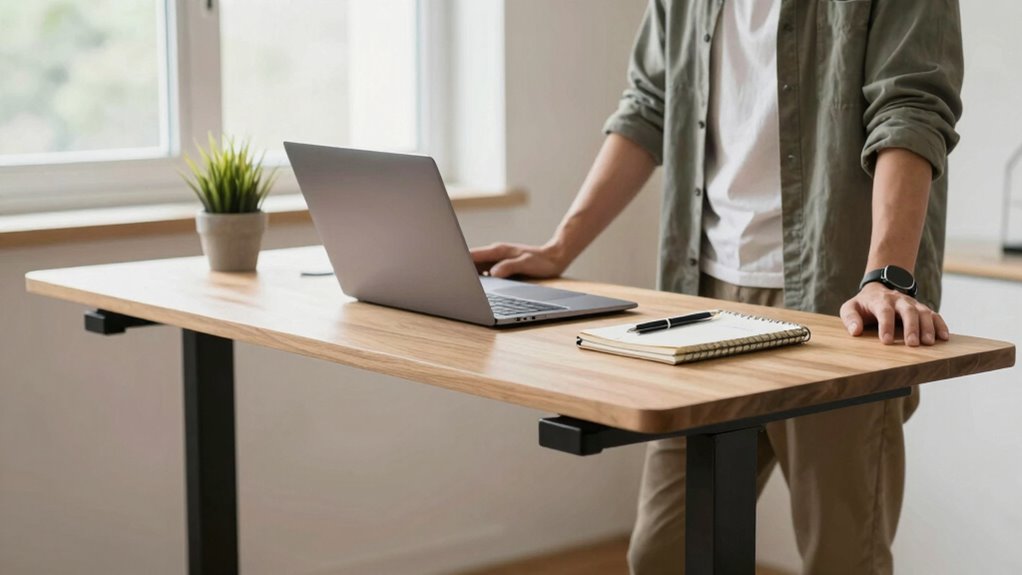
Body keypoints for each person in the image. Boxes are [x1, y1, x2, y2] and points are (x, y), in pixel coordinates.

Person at [471, 1, 963, 573]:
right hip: (700, 299)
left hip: (842, 308)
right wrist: (560, 247)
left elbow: (910, 110)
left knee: (842, 558)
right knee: (663, 555)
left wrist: (886, 276)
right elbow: (648, 107)